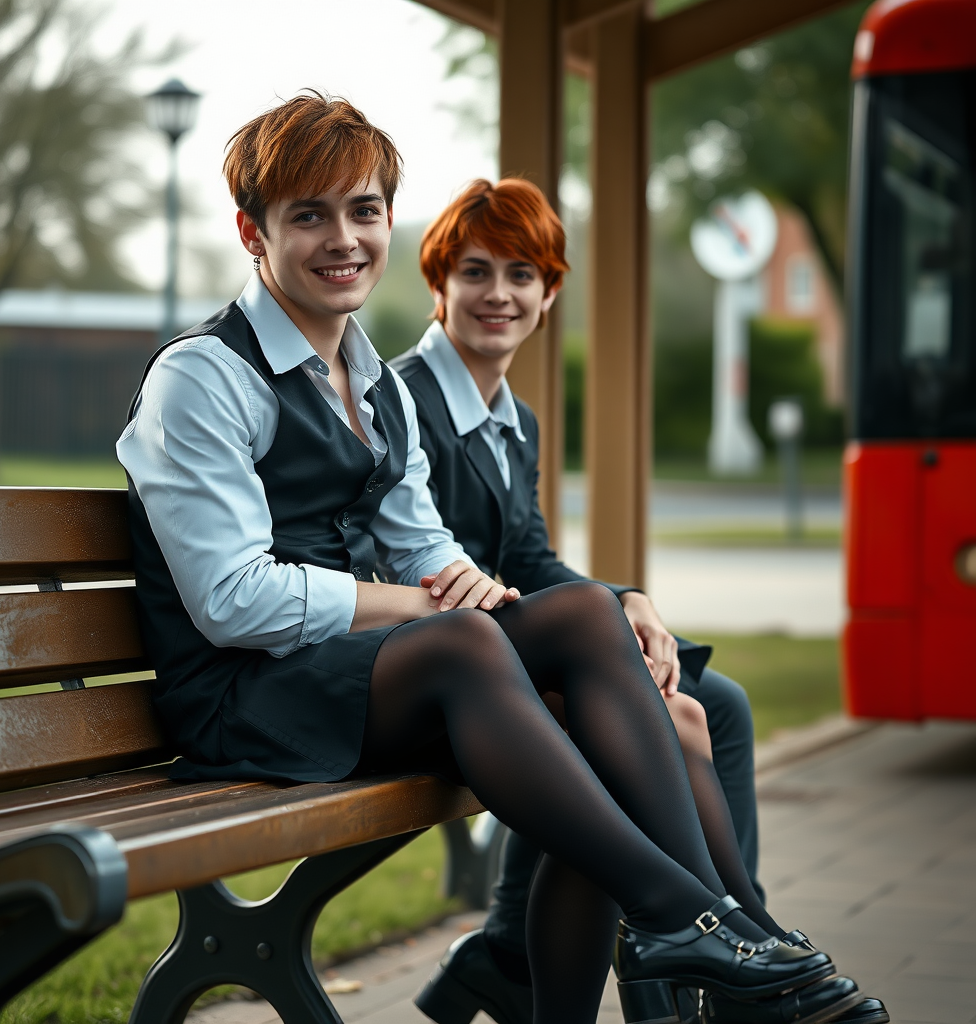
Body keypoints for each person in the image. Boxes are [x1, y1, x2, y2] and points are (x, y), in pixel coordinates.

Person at [116, 94, 862, 1024]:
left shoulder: (372, 378)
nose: (343, 238)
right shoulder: (204, 377)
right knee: (464, 643)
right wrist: (425, 606)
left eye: (363, 210)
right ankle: (699, 922)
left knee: (584, 621)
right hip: (242, 695)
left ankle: (723, 935)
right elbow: (232, 602)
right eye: (308, 214)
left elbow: (419, 537)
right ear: (252, 232)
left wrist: (471, 584)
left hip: (343, 677)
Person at [392, 178, 888, 1024]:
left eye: (523, 274)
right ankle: (734, 952)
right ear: (438, 284)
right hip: (449, 663)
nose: (499, 295)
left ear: (550, 293)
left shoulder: (516, 418)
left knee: (716, 702)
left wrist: (628, 599)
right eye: (476, 272)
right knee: (674, 722)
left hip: (511, 640)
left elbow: (529, 557)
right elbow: (414, 559)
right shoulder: (404, 400)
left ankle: (532, 944)